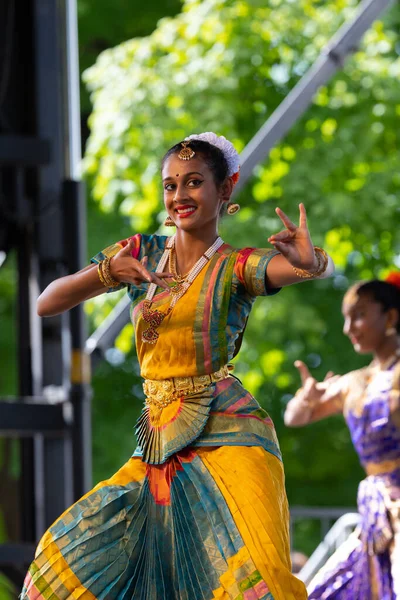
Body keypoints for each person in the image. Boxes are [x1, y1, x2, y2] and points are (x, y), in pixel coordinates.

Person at [21, 132, 334, 600]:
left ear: (225, 189)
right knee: (63, 571)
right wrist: (108, 272)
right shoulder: (139, 252)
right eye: (170, 185)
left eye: (193, 182)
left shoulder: (235, 265)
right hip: (158, 440)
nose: (179, 196)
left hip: (230, 433)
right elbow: (46, 302)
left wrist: (312, 261)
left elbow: (287, 268)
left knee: (260, 579)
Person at [284, 273, 400, 599]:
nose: (349, 328)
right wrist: (305, 398)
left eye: (360, 315)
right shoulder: (354, 382)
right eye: (346, 318)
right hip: (377, 513)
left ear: (390, 316)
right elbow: (295, 418)